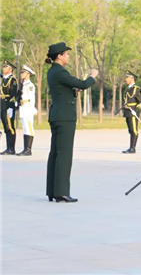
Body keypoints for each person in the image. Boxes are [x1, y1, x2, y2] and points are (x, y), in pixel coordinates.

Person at [45, 42, 98, 202]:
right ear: (59, 56)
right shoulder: (60, 72)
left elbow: (65, 90)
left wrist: (73, 91)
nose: (68, 56)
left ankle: (52, 191)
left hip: (56, 114)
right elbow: (82, 84)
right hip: (65, 116)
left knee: (55, 153)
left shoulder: (52, 71)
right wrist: (92, 76)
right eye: (66, 54)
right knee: (64, 154)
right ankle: (61, 191)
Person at [17, 65, 37, 156]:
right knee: (25, 128)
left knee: (29, 128)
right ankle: (25, 148)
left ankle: (28, 149)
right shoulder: (23, 85)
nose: (21, 74)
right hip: (23, 108)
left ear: (28, 74)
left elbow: (32, 99)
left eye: (23, 73)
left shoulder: (30, 86)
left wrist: (32, 109)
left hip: (28, 108)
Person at [122, 71, 141, 154]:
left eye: (127, 77)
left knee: (134, 130)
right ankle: (131, 147)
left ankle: (133, 148)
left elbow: (140, 102)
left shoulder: (136, 89)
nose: (126, 79)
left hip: (133, 111)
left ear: (132, 78)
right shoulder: (127, 89)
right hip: (127, 111)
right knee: (130, 130)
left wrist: (136, 112)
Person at [0, 60, 18, 155]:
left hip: (8, 106)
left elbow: (13, 94)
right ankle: (8, 147)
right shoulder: (5, 79)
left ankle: (11, 148)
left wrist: (11, 107)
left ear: (10, 69)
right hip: (3, 105)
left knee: (10, 127)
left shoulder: (12, 80)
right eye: (3, 67)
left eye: (5, 67)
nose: (3, 68)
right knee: (6, 127)